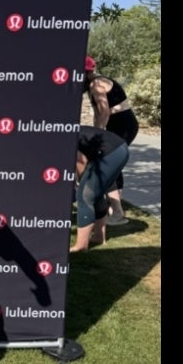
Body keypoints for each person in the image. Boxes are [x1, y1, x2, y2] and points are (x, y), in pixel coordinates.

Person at [83, 55, 139, 224]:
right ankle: (114, 208)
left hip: (123, 126)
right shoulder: (96, 83)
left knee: (108, 163)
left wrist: (98, 137)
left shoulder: (96, 84)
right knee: (111, 164)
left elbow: (105, 112)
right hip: (122, 126)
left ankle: (117, 213)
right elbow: (98, 113)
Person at [70, 124, 130, 252]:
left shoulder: (63, 137)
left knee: (85, 196)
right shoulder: (66, 131)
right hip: (117, 148)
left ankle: (81, 246)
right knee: (95, 194)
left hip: (111, 152)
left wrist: (79, 183)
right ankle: (98, 237)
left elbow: (81, 161)